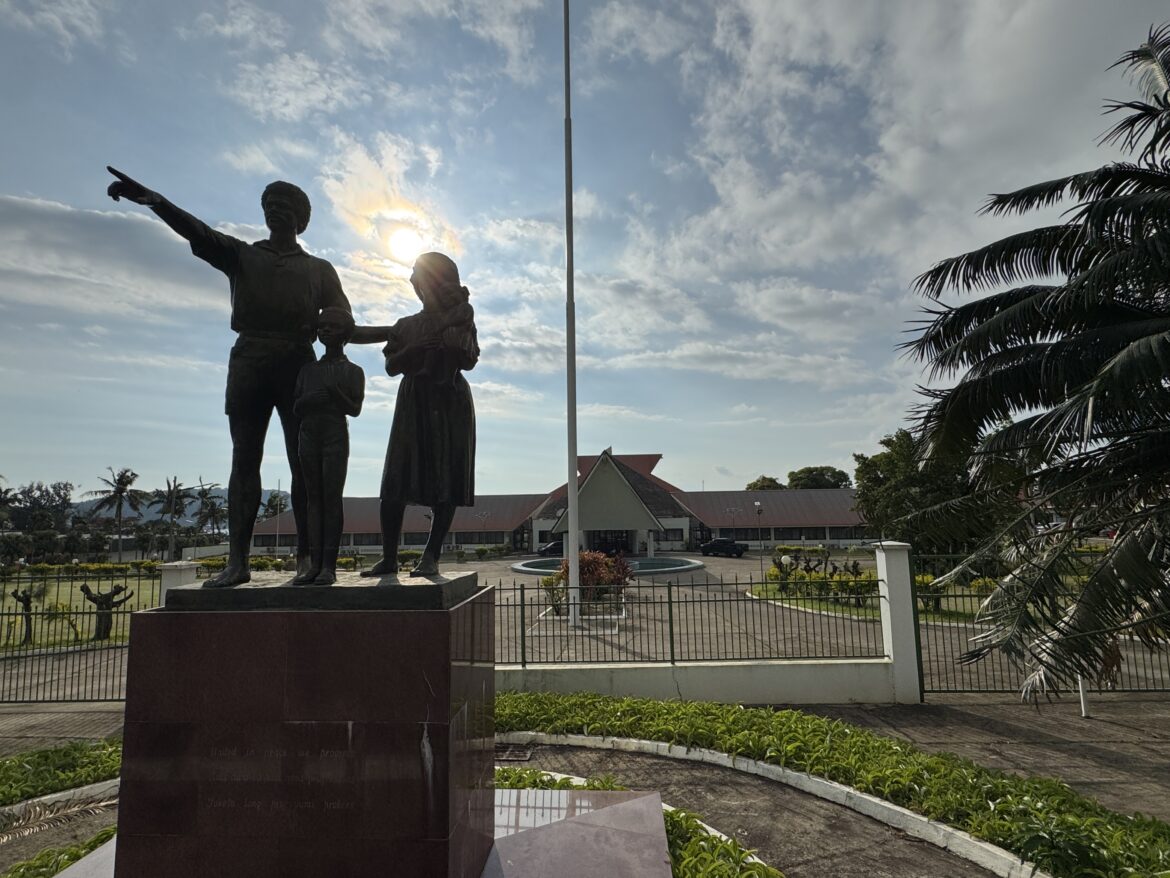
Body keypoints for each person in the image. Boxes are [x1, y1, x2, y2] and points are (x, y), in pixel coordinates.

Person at [105, 167, 351, 587]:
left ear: (301, 218)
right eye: (269, 205)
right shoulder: (242, 254)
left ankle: (309, 560)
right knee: (244, 458)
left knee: (304, 465)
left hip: (299, 363)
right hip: (250, 359)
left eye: (284, 205)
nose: (275, 210)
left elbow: (342, 322)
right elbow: (197, 231)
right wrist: (157, 201)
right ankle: (238, 562)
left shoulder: (320, 270)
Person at [353, 252, 478, 576]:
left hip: (449, 399)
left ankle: (431, 556)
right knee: (395, 479)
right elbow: (393, 366)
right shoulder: (406, 325)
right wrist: (420, 347)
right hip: (414, 400)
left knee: (445, 479)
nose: (411, 281)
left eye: (416, 274)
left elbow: (468, 359)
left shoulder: (463, 319)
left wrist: (450, 340)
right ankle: (390, 557)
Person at [291, 307, 365, 586]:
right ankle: (313, 565)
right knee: (313, 500)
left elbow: (355, 409)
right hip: (309, 434)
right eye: (322, 326)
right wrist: (312, 400)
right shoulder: (308, 370)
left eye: (332, 326)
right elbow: (296, 406)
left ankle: (328, 567)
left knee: (331, 499)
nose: (325, 331)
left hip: (335, 434)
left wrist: (334, 393)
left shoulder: (353, 371)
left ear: (345, 333)